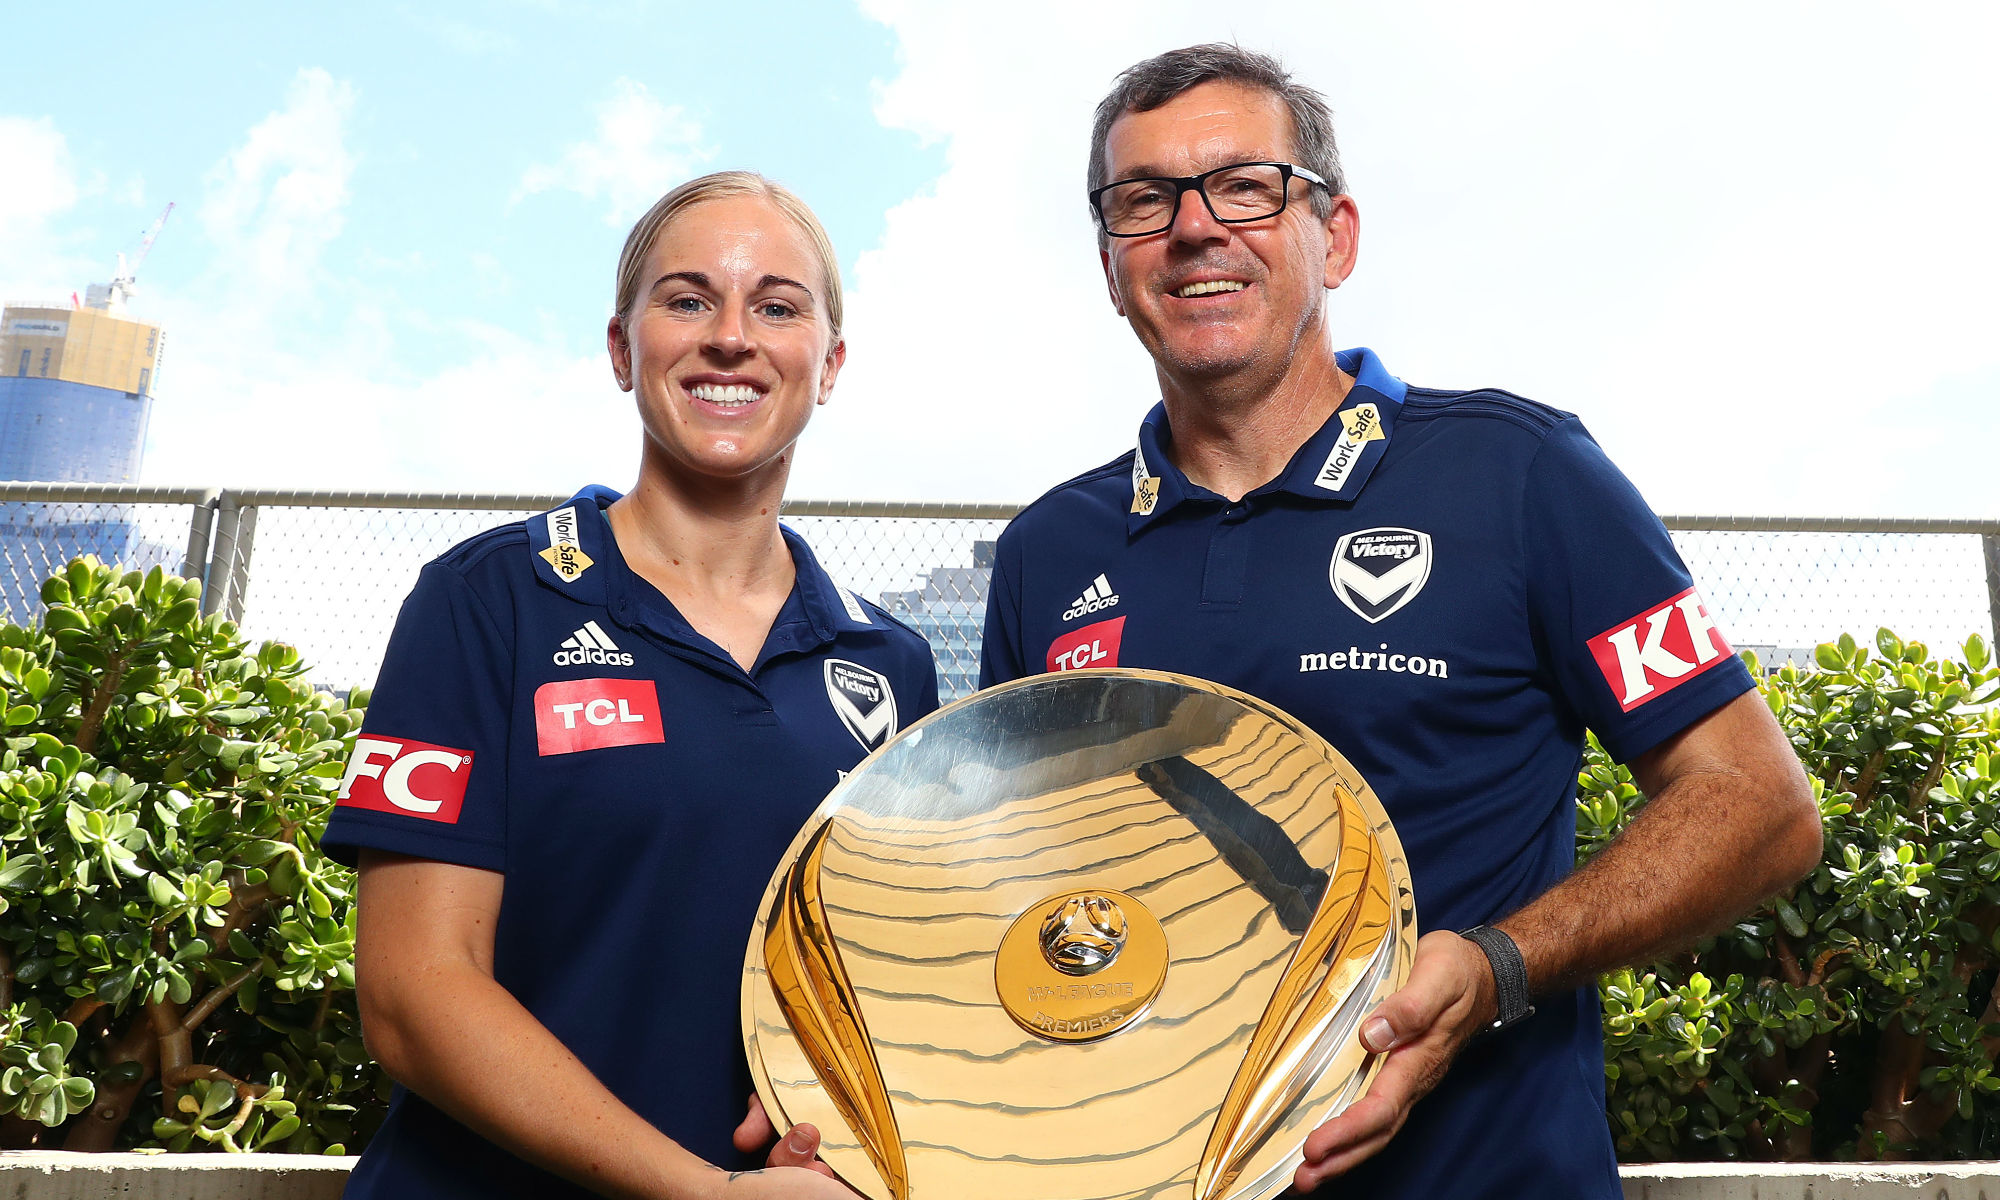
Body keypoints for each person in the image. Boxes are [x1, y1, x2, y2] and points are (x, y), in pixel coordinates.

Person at [972, 45, 1822, 1198]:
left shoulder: (1523, 475)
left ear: (1336, 235)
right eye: (1143, 200)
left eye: (1244, 185)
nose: (1193, 227)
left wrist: (1497, 965)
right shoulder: (1044, 556)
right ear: (1111, 262)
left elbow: (1759, 804)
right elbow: (1020, 906)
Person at [321, 170, 939, 1200]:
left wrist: (838, 1110)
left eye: (777, 307)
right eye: (687, 298)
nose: (730, 337)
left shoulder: (891, 666)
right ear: (623, 348)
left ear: (827, 364)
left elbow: (891, 994)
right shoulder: (486, 600)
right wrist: (703, 1195)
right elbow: (410, 993)